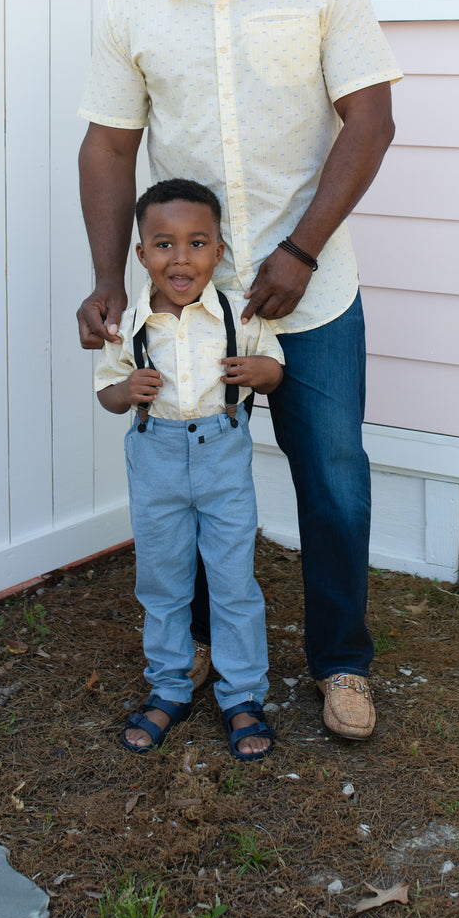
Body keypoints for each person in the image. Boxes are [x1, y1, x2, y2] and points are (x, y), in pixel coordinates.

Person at [77, 0, 401, 741]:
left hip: (310, 288)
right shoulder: (132, 7)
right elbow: (108, 146)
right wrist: (109, 279)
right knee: (189, 480)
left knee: (333, 481)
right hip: (192, 303)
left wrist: (299, 251)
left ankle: (341, 663)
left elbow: (370, 121)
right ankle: (196, 649)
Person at [95, 178, 284, 759]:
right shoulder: (129, 325)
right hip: (155, 461)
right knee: (163, 581)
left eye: (197, 244)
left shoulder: (236, 314)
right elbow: (107, 392)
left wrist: (260, 372)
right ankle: (169, 686)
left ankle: (242, 694)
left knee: (232, 580)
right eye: (164, 245)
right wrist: (126, 390)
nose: (181, 259)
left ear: (218, 252)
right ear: (141, 253)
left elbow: (275, 368)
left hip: (222, 460)